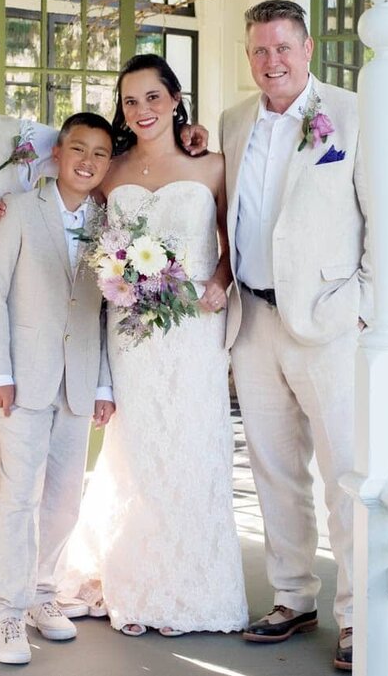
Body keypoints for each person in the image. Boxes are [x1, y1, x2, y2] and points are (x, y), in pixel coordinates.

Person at [0, 18, 209, 625]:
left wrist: (188, 133)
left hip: (59, 361)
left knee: (54, 491)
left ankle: (40, 588)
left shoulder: (55, 157)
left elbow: (91, 147)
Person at [64, 53, 247, 637]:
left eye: (151, 97)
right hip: (132, 332)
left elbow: (232, 245)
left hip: (194, 329)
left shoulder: (214, 165)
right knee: (137, 453)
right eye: (129, 101)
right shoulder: (111, 172)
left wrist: (219, 285)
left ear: (174, 98)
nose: (141, 110)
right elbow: (76, 223)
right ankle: (137, 585)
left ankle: (187, 590)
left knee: (192, 450)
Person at [219, 0, 371, 672]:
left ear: (307, 48)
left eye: (282, 48)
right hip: (252, 317)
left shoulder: (353, 112)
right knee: (274, 467)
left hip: (328, 321)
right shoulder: (232, 121)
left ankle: (359, 616)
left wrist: (362, 303)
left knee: (345, 471)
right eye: (259, 50)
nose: (271, 62)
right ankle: (292, 596)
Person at [0, 112, 117, 664]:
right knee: (18, 499)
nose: (87, 161)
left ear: (108, 162)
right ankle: (7, 614)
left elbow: (106, 313)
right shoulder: (17, 210)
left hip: (78, 380)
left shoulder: (109, 224)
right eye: (77, 149)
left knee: (63, 501)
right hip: (21, 380)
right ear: (57, 152)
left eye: (99, 153)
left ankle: (41, 592)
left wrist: (104, 382)